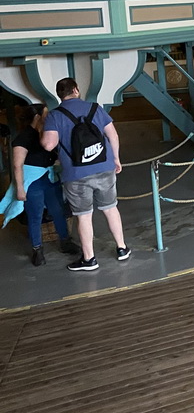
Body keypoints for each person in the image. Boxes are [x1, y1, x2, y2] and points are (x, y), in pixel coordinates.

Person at [41, 78, 129, 271]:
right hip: (104, 166)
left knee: (83, 216)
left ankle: (89, 259)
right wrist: (116, 159)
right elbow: (113, 135)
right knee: (110, 208)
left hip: (76, 173)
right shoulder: (95, 108)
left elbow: (48, 144)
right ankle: (122, 248)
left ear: (60, 95)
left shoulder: (55, 115)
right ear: (76, 90)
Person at [11, 104, 77, 266]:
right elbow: (17, 165)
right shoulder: (23, 138)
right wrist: (20, 188)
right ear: (37, 117)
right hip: (33, 183)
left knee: (58, 211)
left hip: (49, 179)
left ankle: (65, 242)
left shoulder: (45, 135)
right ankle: (37, 249)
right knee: (36, 216)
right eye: (46, 115)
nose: (49, 118)